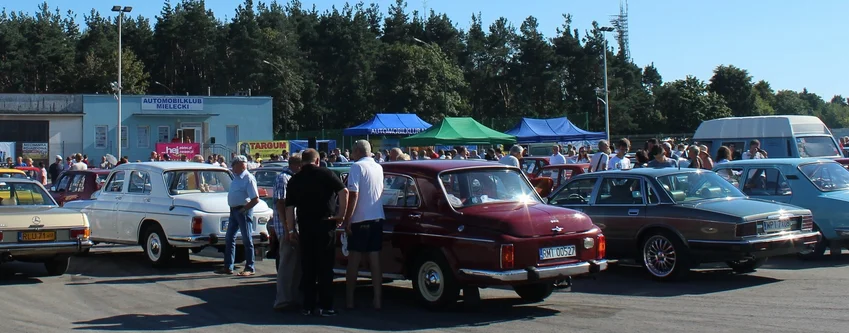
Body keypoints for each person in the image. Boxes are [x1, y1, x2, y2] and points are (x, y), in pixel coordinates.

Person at [284, 149, 348, 317]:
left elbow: (289, 208)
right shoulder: (326, 174)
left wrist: (291, 229)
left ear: (302, 162)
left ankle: (308, 306)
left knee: (308, 267)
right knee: (325, 267)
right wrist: (341, 214)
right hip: (325, 224)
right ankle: (326, 306)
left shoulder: (294, 180)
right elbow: (344, 191)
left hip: (305, 226)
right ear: (317, 160)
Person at [342, 140, 385, 310]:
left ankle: (350, 300)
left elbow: (354, 194)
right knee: (375, 259)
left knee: (354, 260)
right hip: (377, 217)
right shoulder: (378, 167)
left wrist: (348, 219)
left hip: (360, 219)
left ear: (358, 151)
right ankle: (377, 299)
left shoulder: (356, 167)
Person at [215, 155, 260, 277]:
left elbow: (255, 199)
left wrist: (244, 209)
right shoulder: (236, 177)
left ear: (241, 165)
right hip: (233, 210)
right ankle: (228, 266)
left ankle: (250, 267)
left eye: (234, 164)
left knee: (247, 239)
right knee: (229, 238)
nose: (232, 167)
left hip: (242, 211)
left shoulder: (248, 178)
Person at [272, 153, 302, 312]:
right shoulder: (284, 178)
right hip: (286, 228)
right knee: (286, 264)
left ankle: (293, 297)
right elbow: (281, 203)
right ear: (297, 165)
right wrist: (287, 228)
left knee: (295, 264)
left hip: (292, 227)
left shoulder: (293, 178)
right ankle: (283, 300)